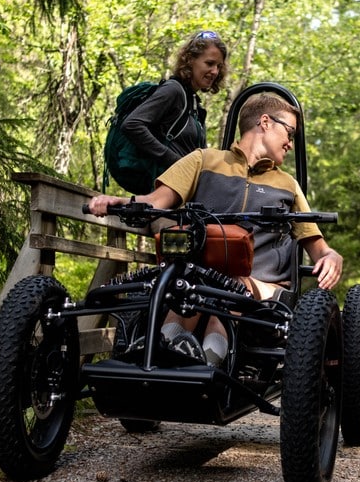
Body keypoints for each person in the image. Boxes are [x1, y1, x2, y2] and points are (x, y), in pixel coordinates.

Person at [87, 91, 343, 365]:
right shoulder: (203, 161)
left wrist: (330, 256)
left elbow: (318, 248)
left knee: (227, 285)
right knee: (192, 283)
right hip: (199, 279)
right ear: (265, 122)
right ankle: (169, 351)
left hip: (263, 287)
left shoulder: (288, 185)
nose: (290, 144)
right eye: (289, 133)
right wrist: (121, 201)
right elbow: (155, 202)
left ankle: (204, 356)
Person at [121, 30, 229, 169]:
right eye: (209, 63)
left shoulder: (194, 103)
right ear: (190, 60)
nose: (215, 71)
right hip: (162, 185)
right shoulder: (173, 90)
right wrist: (174, 162)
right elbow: (132, 124)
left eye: (219, 66)